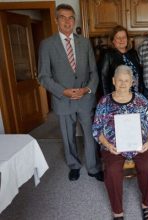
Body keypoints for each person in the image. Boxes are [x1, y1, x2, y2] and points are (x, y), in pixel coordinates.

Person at [38, 4, 103, 182]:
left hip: (84, 99)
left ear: (74, 20)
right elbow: (43, 76)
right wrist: (63, 91)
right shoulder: (47, 45)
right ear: (56, 20)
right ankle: (74, 165)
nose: (67, 21)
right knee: (68, 137)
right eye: (63, 17)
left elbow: (94, 73)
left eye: (71, 17)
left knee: (90, 136)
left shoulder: (84, 42)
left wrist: (87, 89)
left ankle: (93, 167)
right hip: (63, 100)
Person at [92, 65, 148, 220]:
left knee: (147, 167)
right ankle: (117, 211)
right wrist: (107, 145)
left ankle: (146, 204)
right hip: (113, 146)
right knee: (112, 171)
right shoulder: (104, 102)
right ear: (114, 81)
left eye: (126, 80)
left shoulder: (141, 99)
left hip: (140, 144)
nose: (123, 83)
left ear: (132, 82)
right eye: (120, 80)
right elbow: (96, 129)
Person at [98, 25, 143, 97]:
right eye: (118, 37)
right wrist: (107, 99)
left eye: (124, 37)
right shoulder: (107, 55)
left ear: (127, 39)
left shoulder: (133, 53)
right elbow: (103, 80)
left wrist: (140, 94)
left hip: (136, 96)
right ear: (113, 40)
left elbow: (140, 75)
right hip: (117, 97)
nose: (121, 40)